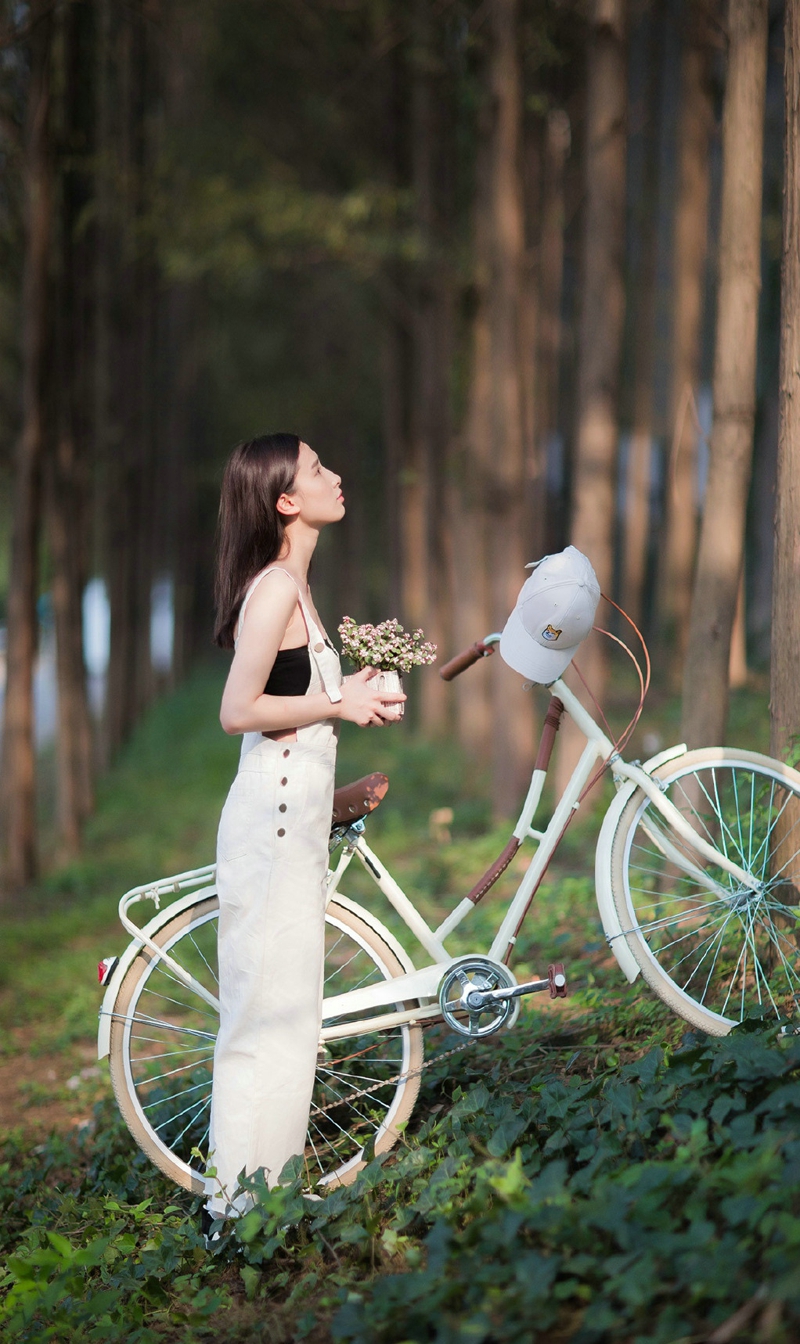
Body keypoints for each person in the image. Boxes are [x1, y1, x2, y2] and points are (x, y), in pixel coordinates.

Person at [205, 433, 404, 1223]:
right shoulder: (276, 588)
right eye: (320, 469)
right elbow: (237, 711)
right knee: (267, 1022)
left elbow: (290, 693)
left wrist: (351, 687)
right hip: (274, 820)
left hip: (293, 815)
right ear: (287, 501)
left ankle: (264, 1202)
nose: (337, 474)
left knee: (290, 1020)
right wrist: (337, 703)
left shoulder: (296, 585)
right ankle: (238, 1213)